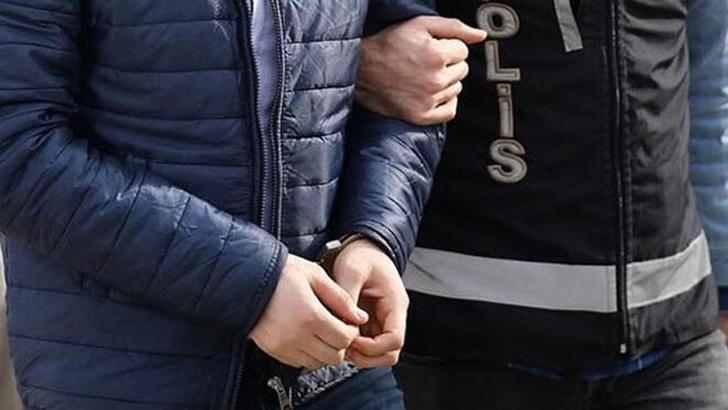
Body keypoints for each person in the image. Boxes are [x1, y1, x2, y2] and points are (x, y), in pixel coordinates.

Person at [0, 1, 454, 409]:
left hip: (334, 368)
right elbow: (14, 149)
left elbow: (415, 76)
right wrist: (253, 286)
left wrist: (371, 235)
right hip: (127, 375)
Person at [357, 0, 728, 409]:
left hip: (675, 346)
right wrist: (357, 64)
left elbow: (711, 84)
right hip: (470, 352)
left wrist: (725, 281)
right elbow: (321, 44)